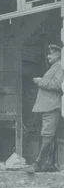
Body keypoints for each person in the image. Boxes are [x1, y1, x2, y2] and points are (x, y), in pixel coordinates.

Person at [28, 43, 64, 173]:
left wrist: (40, 81)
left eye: (51, 53)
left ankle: (38, 164)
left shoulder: (60, 67)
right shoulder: (55, 67)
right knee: (49, 136)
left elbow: (58, 85)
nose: (48, 56)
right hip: (48, 106)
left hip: (51, 106)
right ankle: (49, 164)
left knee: (47, 135)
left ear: (59, 54)